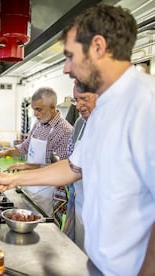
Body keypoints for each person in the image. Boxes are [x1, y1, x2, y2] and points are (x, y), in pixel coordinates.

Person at [0, 5, 155, 275]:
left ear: (98, 47)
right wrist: (13, 179)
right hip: (99, 262)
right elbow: (73, 168)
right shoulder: (103, 112)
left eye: (70, 56)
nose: (65, 68)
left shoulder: (151, 102)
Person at [0, 87, 72, 217]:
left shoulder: (64, 131)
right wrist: (4, 153)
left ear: (52, 107)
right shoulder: (38, 123)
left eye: (39, 109)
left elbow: (61, 169)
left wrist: (26, 166)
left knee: (44, 228)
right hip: (30, 184)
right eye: (34, 109)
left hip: (47, 191)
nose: (35, 114)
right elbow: (25, 147)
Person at [63, 85, 98, 251]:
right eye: (76, 100)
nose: (77, 106)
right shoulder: (80, 124)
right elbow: (72, 163)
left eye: (84, 99)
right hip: (81, 203)